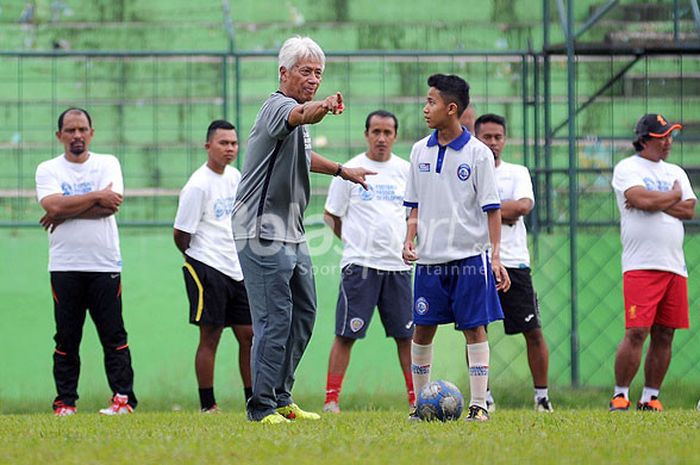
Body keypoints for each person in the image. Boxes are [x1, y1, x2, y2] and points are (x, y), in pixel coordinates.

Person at [231, 35, 375, 424]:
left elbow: (303, 154)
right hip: (260, 230)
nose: (313, 79)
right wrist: (323, 107)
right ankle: (260, 407)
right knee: (273, 319)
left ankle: (280, 397)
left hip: (291, 231)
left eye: (318, 73)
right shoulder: (279, 108)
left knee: (304, 313)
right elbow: (301, 116)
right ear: (284, 72)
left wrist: (344, 171)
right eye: (305, 71)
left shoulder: (296, 113)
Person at [402, 74, 510, 422]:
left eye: (431, 102)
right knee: (422, 328)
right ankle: (421, 405)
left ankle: (479, 405)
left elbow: (491, 209)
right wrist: (409, 237)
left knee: (474, 328)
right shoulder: (419, 150)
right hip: (430, 261)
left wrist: (495, 256)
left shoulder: (479, 154)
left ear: (451, 109)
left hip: (468, 258)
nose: (425, 108)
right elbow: (414, 202)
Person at [35, 107, 137, 416]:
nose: (77, 135)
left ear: (91, 133)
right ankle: (65, 402)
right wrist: (94, 197)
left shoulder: (108, 163)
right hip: (64, 266)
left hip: (104, 265)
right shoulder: (48, 169)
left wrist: (62, 212)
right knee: (66, 337)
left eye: (82, 129)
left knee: (114, 335)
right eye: (70, 130)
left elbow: (110, 206)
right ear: (59, 136)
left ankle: (123, 399)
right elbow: (50, 203)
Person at [322, 110, 414, 414]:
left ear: (395, 136)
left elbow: (414, 214)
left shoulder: (406, 171)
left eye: (388, 132)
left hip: (398, 268)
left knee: (406, 336)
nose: (381, 138)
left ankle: (416, 399)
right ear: (366, 134)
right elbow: (331, 215)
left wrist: (409, 242)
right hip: (359, 266)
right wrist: (352, 243)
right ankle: (331, 400)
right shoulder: (349, 169)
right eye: (376, 131)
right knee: (346, 334)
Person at [609, 113, 695, 412]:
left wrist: (658, 199)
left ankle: (650, 397)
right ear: (645, 139)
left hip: (674, 265)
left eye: (670, 136)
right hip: (641, 264)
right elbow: (638, 199)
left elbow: (688, 209)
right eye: (662, 137)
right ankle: (620, 395)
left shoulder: (676, 171)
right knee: (637, 331)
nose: (668, 142)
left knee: (666, 332)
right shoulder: (627, 167)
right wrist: (670, 196)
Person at [173, 120, 253, 413]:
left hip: (236, 267)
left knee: (249, 335)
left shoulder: (235, 177)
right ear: (208, 146)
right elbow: (181, 234)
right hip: (207, 266)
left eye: (233, 143)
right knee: (211, 335)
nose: (229, 148)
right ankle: (208, 405)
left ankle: (253, 399)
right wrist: (200, 259)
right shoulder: (197, 185)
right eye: (223, 143)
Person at [474, 113, 553, 412]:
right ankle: (484, 397)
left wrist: (488, 209)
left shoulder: (517, 172)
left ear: (505, 139)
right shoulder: (469, 171)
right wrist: (497, 211)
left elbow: (522, 207)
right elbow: (464, 210)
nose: (493, 143)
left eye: (498, 137)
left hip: (515, 263)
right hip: (477, 262)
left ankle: (542, 397)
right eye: (487, 137)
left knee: (533, 331)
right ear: (476, 138)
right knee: (476, 330)